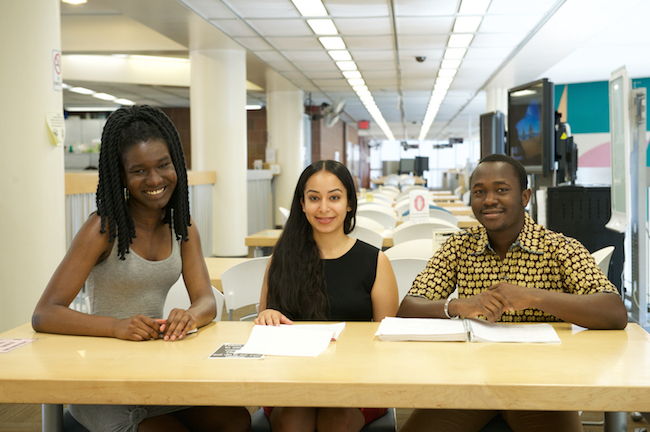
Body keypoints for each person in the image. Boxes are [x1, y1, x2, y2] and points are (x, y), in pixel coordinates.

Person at [32, 105, 250, 432]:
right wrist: (116, 327)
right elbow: (45, 313)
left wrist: (190, 315)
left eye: (163, 165)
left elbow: (206, 299)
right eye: (139, 171)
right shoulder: (103, 228)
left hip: (154, 367)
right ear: (121, 175)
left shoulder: (182, 225)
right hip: (104, 375)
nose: (155, 179)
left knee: (235, 422)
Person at [398, 153, 627, 432]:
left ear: (525, 196)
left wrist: (533, 297)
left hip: (541, 384)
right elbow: (408, 308)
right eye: (479, 192)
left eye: (501, 190)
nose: (489, 199)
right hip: (470, 381)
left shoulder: (560, 248)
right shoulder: (458, 248)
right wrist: (458, 307)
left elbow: (614, 312)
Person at [254, 160, 399, 432]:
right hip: (291, 378)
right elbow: (264, 327)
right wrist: (266, 316)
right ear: (302, 204)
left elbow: (387, 341)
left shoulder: (376, 261)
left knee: (338, 420)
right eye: (313, 198)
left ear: (349, 204)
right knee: (293, 419)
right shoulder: (280, 260)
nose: (323, 208)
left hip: (357, 380)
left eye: (334, 197)